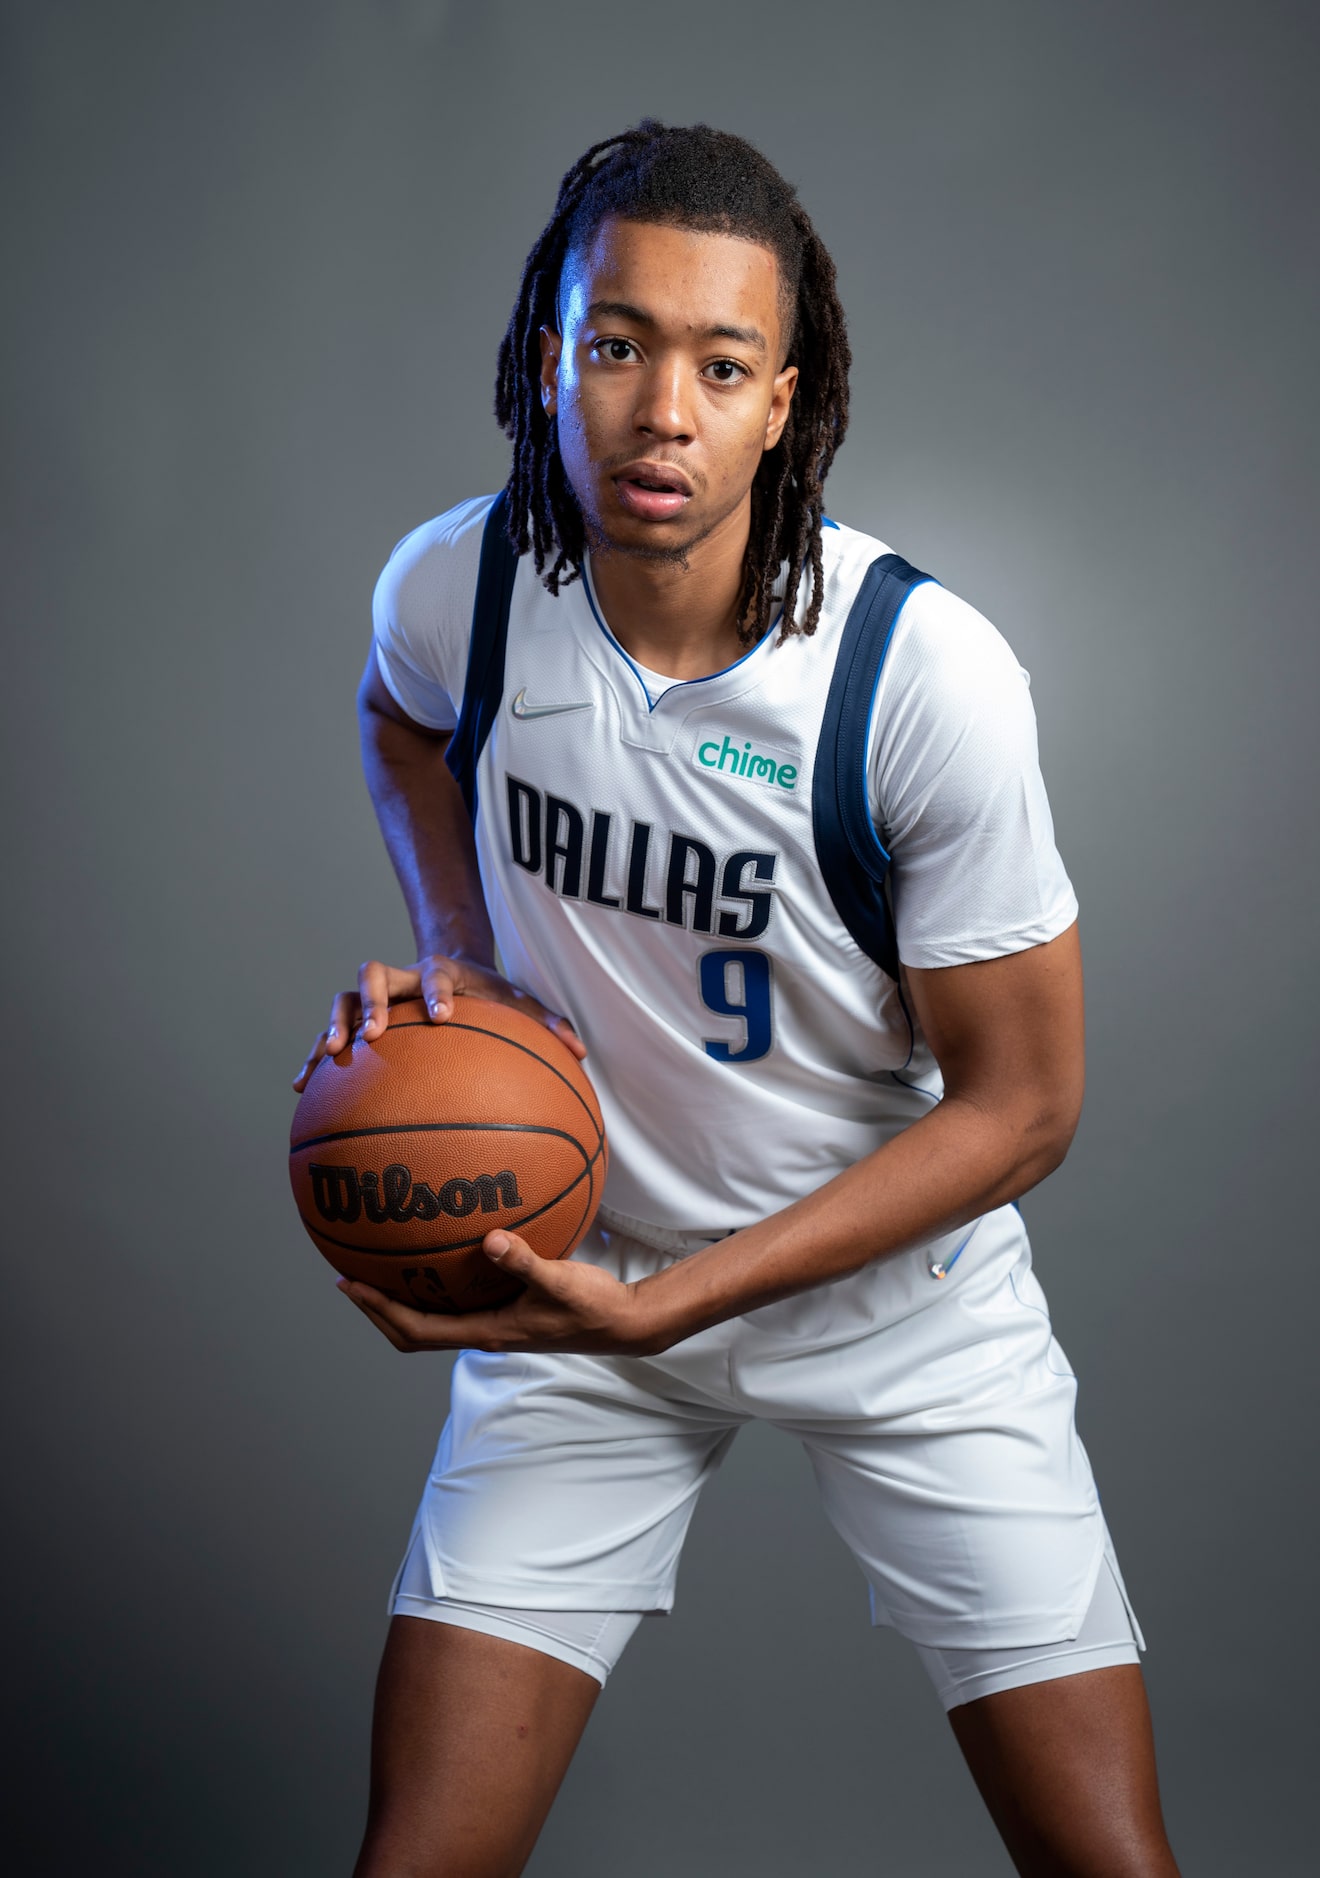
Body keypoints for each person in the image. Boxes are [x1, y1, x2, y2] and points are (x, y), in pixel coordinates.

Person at [295, 122, 1180, 1877]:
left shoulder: (921, 680)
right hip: (590, 1282)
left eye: (721, 364)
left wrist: (691, 1297)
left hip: (903, 1315)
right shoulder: (459, 590)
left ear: (788, 400)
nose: (662, 413)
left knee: (1109, 1863)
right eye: (616, 346)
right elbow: (401, 720)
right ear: (546, 359)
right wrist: (462, 949)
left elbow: (1028, 1107)